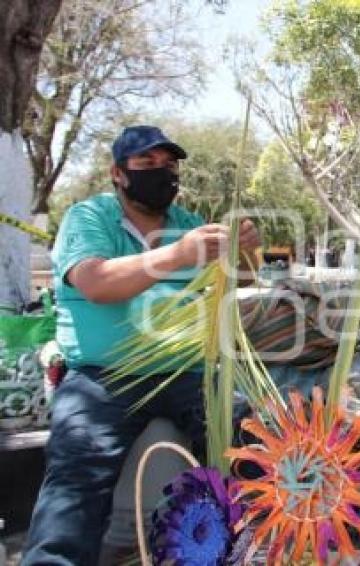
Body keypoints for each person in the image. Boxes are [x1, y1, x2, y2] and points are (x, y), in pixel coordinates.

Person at [22, 125, 261, 565]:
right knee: (77, 474)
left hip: (186, 373)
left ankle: (263, 549)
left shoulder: (189, 225)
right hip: (102, 377)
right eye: (146, 164)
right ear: (118, 173)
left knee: (254, 444)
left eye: (168, 165)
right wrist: (176, 255)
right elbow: (95, 282)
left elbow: (239, 281)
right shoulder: (89, 218)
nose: (161, 172)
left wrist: (245, 254)